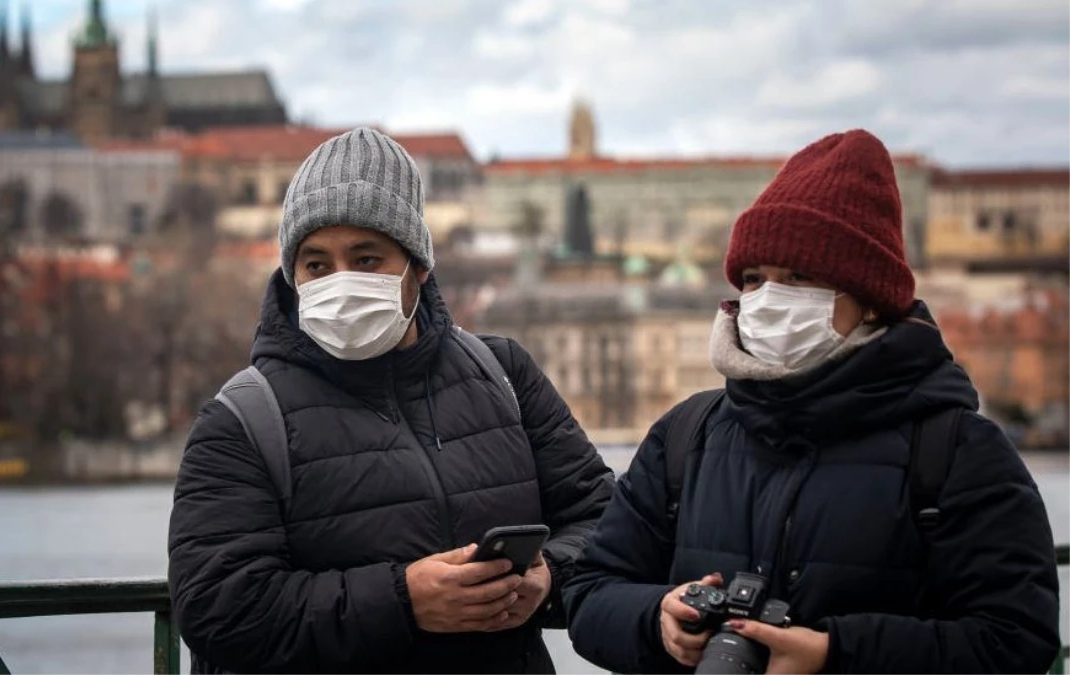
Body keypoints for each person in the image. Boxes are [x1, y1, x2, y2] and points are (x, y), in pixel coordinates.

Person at [562, 129, 1061, 675]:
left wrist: (834, 654)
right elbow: (589, 591)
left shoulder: (959, 451)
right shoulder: (687, 435)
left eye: (799, 278)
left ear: (870, 301)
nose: (769, 299)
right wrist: (655, 620)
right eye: (754, 279)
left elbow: (1016, 642)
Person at [167, 126, 614, 675]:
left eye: (367, 258)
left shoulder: (503, 374)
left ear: (418, 267)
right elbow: (218, 610)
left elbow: (606, 520)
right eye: (317, 264)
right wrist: (403, 601)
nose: (341, 281)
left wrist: (548, 579)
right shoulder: (243, 419)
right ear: (292, 275)